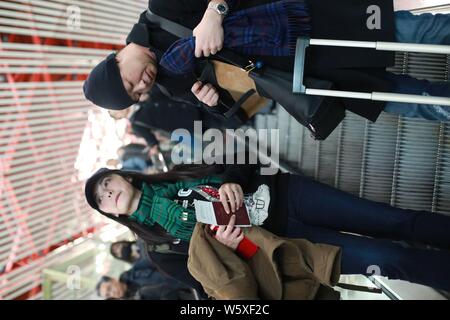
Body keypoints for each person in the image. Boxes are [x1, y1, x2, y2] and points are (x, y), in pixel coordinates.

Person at [84, 159, 450, 293]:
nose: (108, 194)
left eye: (106, 183)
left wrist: (230, 181)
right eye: (102, 199)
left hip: (287, 196)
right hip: (287, 249)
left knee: (393, 219)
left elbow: (240, 162)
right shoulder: (161, 250)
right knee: (384, 258)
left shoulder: (176, 173)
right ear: (109, 214)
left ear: (120, 175)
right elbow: (215, 286)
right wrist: (231, 247)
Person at [83, 0, 450, 126]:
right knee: (410, 101)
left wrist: (215, 11)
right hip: (305, 76)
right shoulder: (171, 82)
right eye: (136, 94)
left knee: (419, 33)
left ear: (115, 59)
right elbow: (238, 116)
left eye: (129, 83)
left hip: (308, 21)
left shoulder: (162, 9)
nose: (142, 86)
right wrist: (215, 103)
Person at [95, 275, 195, 300]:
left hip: (187, 286)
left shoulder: (135, 274)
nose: (113, 293)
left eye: (109, 289)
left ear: (113, 279)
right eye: (108, 295)